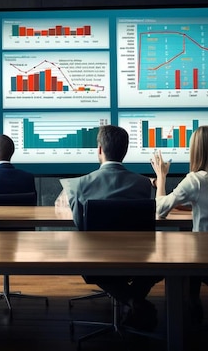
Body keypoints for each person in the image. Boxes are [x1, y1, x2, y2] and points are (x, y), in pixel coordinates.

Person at [60, 124, 161, 332]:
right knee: (156, 266)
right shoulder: (143, 184)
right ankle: (134, 300)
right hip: (138, 259)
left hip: (96, 261)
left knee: (89, 261)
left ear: (99, 150)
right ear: (125, 150)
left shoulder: (78, 185)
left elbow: (81, 228)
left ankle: (132, 301)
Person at [151, 125, 208, 323]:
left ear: (196, 151)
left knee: (172, 250)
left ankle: (184, 308)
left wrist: (161, 177)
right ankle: (193, 299)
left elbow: (160, 209)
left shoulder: (196, 180)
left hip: (203, 259)